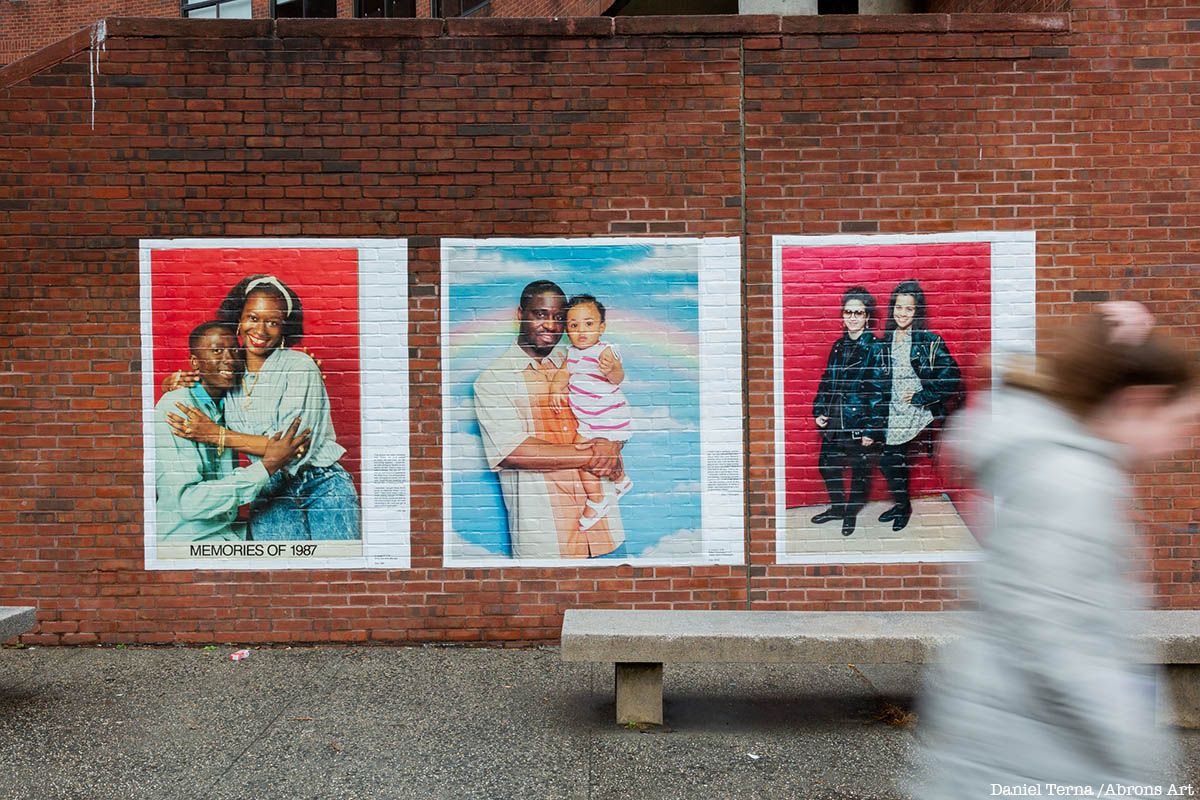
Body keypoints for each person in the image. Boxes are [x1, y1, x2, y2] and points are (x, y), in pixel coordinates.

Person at [917, 302, 1198, 798]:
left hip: (1019, 754)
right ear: (1138, 403)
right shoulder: (1074, 482)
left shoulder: (1064, 465)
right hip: (1030, 765)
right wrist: (1138, 757)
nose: (1182, 441)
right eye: (1182, 422)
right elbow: (1059, 640)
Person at [165, 275, 361, 541]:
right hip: (266, 487)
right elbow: (201, 397)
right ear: (239, 320)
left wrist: (215, 434)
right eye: (253, 318)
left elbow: (293, 449)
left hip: (321, 485)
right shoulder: (228, 373)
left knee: (336, 570)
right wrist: (175, 383)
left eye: (273, 322)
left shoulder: (299, 366)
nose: (261, 330)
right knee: (282, 575)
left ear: (284, 328)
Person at [473, 280, 626, 559]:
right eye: (540, 314)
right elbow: (515, 452)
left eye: (559, 318)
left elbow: (611, 411)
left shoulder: (579, 363)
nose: (552, 326)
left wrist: (614, 445)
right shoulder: (493, 381)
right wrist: (597, 452)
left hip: (607, 535)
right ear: (520, 314)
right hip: (547, 544)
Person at [155, 321, 309, 542]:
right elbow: (189, 503)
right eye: (217, 351)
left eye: (235, 350)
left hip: (231, 534)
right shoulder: (177, 408)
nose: (230, 358)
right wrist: (267, 466)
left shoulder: (232, 405)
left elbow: (290, 441)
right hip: (188, 540)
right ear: (194, 363)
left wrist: (300, 374)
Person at [875, 280, 962, 531]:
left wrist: (922, 396)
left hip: (914, 410)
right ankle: (900, 503)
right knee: (891, 460)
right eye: (898, 307)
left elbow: (952, 377)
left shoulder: (928, 340)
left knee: (891, 459)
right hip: (892, 409)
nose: (902, 313)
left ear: (917, 312)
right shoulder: (885, 340)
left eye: (909, 309)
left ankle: (903, 507)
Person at [550, 294, 634, 532]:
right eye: (574, 325)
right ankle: (621, 481)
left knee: (586, 457)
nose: (581, 331)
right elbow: (563, 374)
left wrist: (613, 369)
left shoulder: (605, 351)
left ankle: (596, 501)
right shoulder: (572, 354)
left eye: (589, 324)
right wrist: (557, 389)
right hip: (589, 419)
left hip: (609, 417)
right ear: (567, 330)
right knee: (593, 456)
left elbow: (618, 378)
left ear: (602, 327)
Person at [811, 286, 881, 537]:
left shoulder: (874, 347)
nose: (852, 317)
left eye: (858, 313)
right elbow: (826, 380)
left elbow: (879, 391)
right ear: (842, 315)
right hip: (835, 417)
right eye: (848, 312)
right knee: (826, 464)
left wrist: (871, 430)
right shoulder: (838, 346)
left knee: (859, 471)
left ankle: (850, 513)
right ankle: (839, 508)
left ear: (867, 317)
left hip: (858, 420)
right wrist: (819, 409)